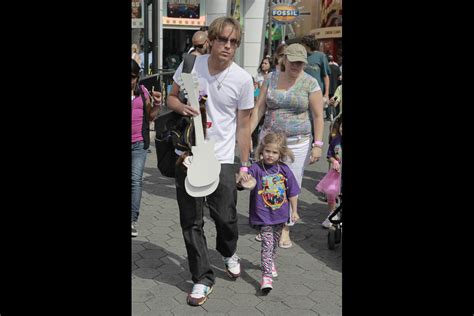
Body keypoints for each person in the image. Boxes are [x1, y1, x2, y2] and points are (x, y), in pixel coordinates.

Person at [167, 16, 254, 306]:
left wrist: (244, 165)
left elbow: (244, 127)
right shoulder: (191, 66)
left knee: (226, 218)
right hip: (189, 155)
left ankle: (228, 250)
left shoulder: (242, 79)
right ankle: (202, 278)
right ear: (212, 41)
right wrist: (181, 106)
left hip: (222, 159)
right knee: (191, 222)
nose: (228, 46)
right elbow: (172, 99)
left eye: (233, 42)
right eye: (223, 40)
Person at [250, 43, 325, 249]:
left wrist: (318, 144)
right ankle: (267, 223)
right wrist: (246, 134)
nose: (296, 66)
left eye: (301, 62)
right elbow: (259, 109)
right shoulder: (271, 78)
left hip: (297, 141)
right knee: (267, 181)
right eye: (293, 61)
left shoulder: (310, 83)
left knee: (290, 182)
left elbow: (318, 116)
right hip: (269, 140)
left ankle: (285, 227)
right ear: (284, 59)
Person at [238, 132, 300, 292]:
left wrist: (294, 211)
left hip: (281, 215)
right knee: (267, 244)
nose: (270, 155)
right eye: (267, 151)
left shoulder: (284, 170)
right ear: (262, 150)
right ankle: (266, 277)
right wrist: (243, 178)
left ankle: (271, 262)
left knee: (274, 244)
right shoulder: (257, 168)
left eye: (274, 152)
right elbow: (246, 179)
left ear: (281, 154)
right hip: (263, 215)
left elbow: (293, 192)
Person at [131, 59, 162, 237]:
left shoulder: (142, 92)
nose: (130, 81)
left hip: (138, 144)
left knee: (135, 181)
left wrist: (157, 103)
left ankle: (132, 220)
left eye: (133, 77)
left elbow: (150, 117)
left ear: (137, 77)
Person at [316, 116, 342, 228]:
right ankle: (332, 214)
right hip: (336, 174)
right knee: (331, 193)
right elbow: (329, 155)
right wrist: (334, 161)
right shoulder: (336, 140)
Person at [300, 35, 331, 121]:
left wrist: (326, 94)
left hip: (316, 92)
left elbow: (326, 76)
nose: (301, 46)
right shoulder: (300, 56)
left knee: (316, 117)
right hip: (302, 91)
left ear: (308, 45)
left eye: (302, 44)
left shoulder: (321, 56)